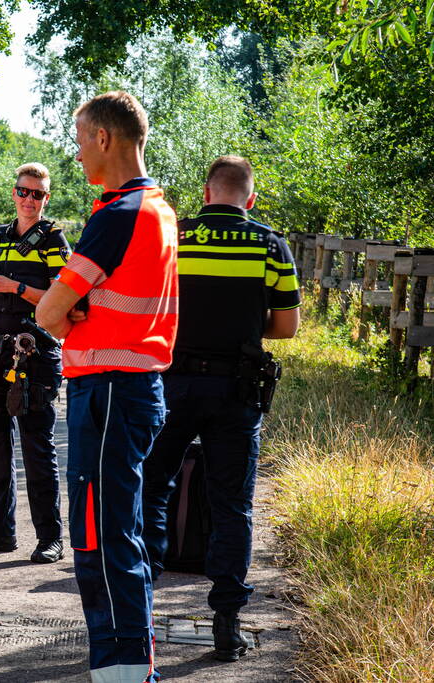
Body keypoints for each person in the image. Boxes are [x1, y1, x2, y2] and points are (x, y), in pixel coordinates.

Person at [36, 91, 178, 683]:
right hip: (130, 385)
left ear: (103, 139)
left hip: (111, 388)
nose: (75, 154)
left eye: (78, 140)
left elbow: (48, 312)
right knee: (116, 527)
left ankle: (122, 667)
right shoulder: (157, 209)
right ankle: (123, 663)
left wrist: (71, 310)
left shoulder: (118, 215)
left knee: (101, 531)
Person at [141, 156, 300, 662]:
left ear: (207, 193)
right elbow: (287, 326)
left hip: (172, 384)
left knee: (152, 486)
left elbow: (152, 306)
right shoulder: (271, 245)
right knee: (233, 505)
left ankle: (139, 607)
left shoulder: (178, 237)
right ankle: (226, 624)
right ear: (249, 200)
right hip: (237, 390)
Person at [0, 162, 70, 564]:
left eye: (37, 194)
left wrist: (18, 287)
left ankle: (49, 537)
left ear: (47, 198)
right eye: (23, 192)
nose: (29, 199)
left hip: (36, 352)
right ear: (14, 193)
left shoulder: (54, 241)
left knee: (37, 446)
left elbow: (63, 299)